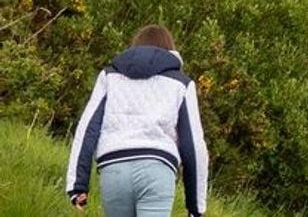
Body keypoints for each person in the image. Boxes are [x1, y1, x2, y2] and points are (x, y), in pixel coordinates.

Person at [65, 24, 208, 217]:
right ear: (171, 50)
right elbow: (193, 146)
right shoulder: (181, 84)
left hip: (114, 170)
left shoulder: (109, 76)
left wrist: (78, 184)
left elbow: (87, 128)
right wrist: (195, 207)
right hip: (157, 171)